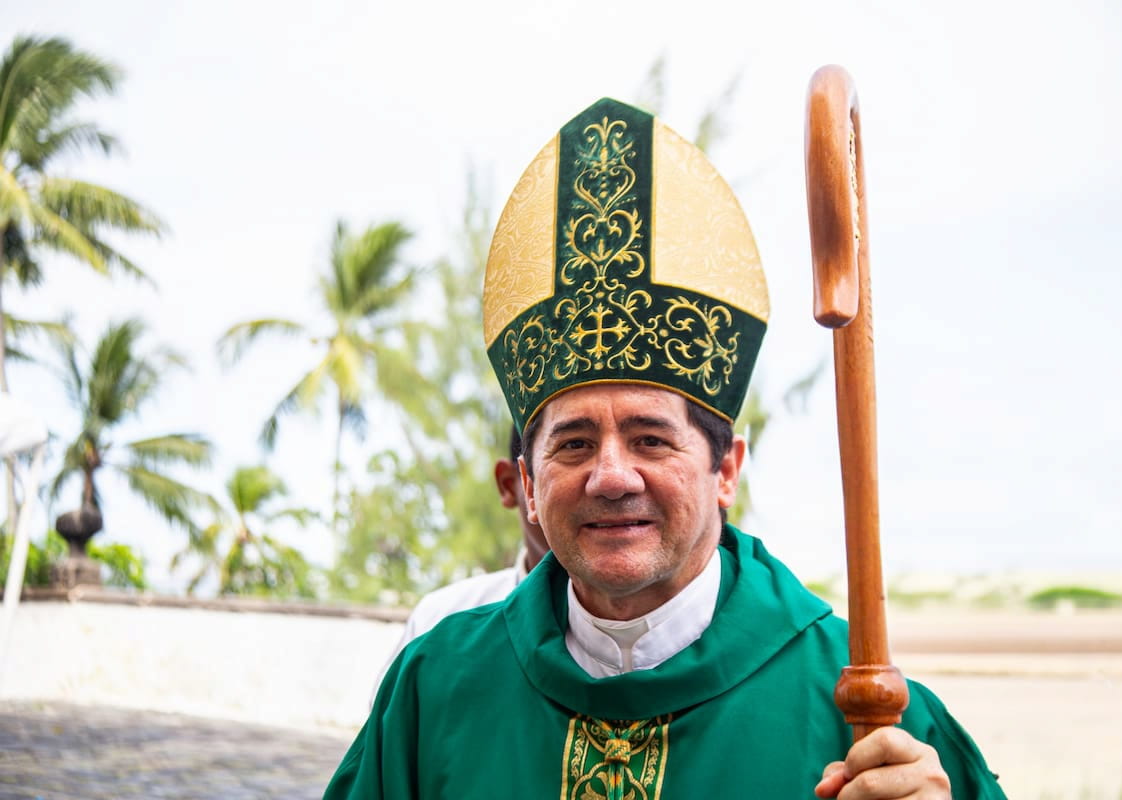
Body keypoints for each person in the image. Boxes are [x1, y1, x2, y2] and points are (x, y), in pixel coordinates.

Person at [327, 98, 1006, 799]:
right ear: (528, 483)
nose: (611, 476)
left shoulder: (866, 716)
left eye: (651, 438)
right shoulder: (434, 684)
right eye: (574, 442)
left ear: (726, 470)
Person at [371, 428, 548, 700]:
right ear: (511, 483)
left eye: (640, 442)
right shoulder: (438, 624)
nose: (605, 482)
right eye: (573, 447)